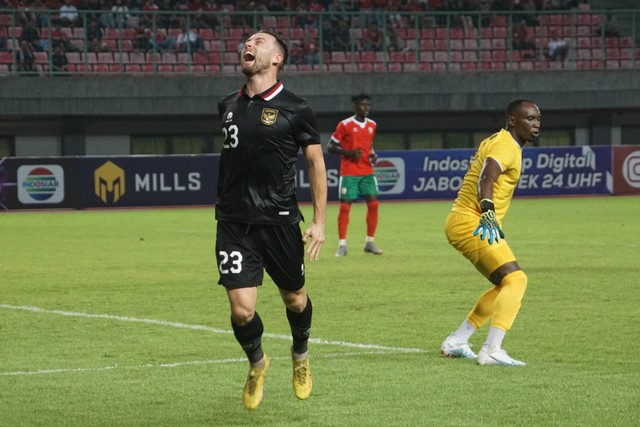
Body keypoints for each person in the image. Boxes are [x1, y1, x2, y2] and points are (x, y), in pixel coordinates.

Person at [216, 29, 327, 410]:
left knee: (295, 300)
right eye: (247, 40)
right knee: (241, 309)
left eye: (260, 41)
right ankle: (257, 362)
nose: (249, 44)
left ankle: (300, 354)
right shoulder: (227, 104)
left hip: (280, 221)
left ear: (277, 58)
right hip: (233, 222)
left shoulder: (297, 108)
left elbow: (315, 162)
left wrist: (319, 221)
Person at [440, 99, 541, 366]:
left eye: (538, 119)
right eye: (529, 118)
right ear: (512, 120)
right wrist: (487, 211)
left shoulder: (499, 140)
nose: (536, 124)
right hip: (472, 221)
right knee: (517, 280)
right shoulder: (506, 144)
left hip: (464, 220)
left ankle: (458, 340)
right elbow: (487, 177)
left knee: (504, 284)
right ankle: (492, 349)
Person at [327, 93, 383, 257]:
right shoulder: (345, 124)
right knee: (345, 207)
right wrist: (348, 152)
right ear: (355, 107)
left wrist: (373, 154)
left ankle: (369, 242)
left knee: (374, 205)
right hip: (349, 172)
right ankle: (342, 245)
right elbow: (331, 146)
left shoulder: (372, 125)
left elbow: (368, 145)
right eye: (363, 105)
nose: (366, 108)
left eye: (368, 105)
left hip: (367, 171)